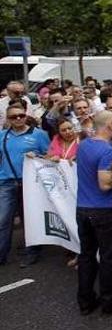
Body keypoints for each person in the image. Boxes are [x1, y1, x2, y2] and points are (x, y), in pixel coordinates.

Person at [75, 111, 112, 315]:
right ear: (109, 125)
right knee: (108, 257)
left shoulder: (83, 145)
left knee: (86, 255)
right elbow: (105, 184)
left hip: (82, 209)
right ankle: (109, 301)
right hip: (104, 210)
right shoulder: (107, 150)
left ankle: (85, 301)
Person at [0, 103, 50, 266]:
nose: (18, 119)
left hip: (30, 184)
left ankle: (32, 252)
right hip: (7, 182)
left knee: (29, 219)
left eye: (21, 115)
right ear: (8, 119)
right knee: (3, 220)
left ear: (26, 116)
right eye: (14, 117)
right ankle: (2, 255)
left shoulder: (39, 135)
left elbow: (49, 157)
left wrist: (37, 155)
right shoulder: (2, 135)